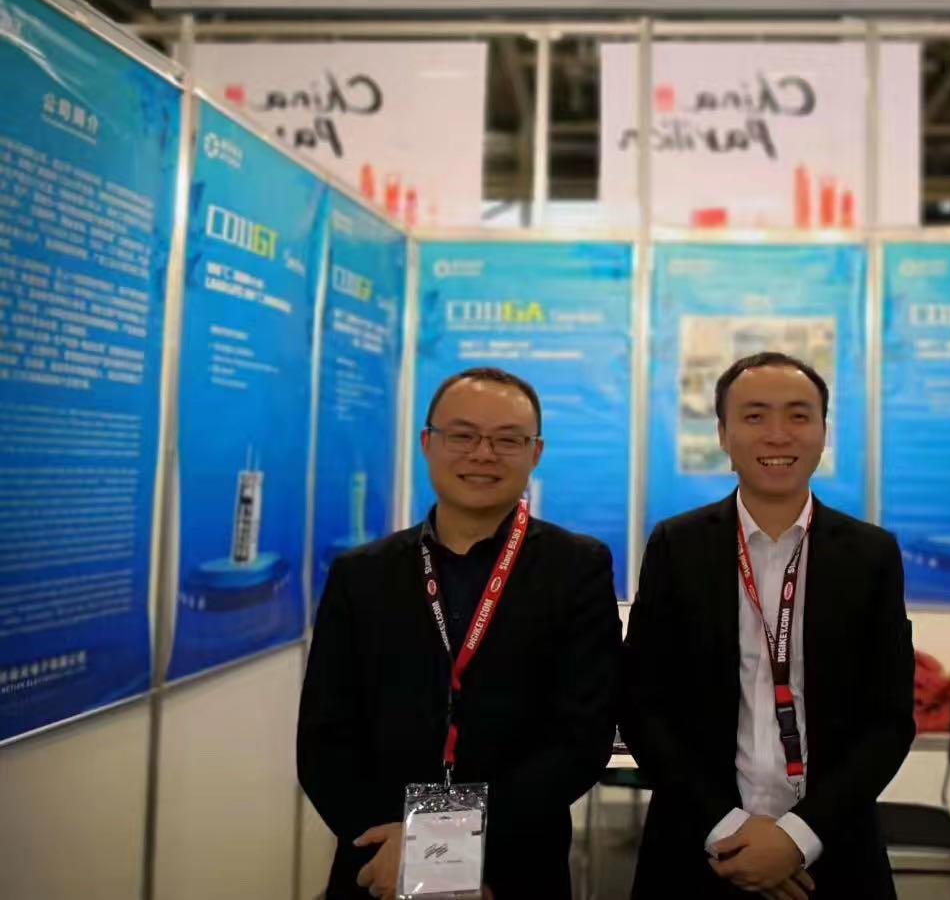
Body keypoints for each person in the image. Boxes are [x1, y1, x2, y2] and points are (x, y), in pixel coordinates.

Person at [298, 366, 621, 900]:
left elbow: (580, 738)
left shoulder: (577, 568)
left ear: (535, 453)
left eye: (507, 440)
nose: (483, 454)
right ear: (427, 443)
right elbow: (324, 738)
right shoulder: (362, 573)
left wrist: (447, 848)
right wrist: (398, 850)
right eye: (463, 435)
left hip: (513, 864)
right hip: (380, 863)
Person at [622, 351, 916, 900]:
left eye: (799, 415)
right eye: (755, 415)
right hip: (698, 846)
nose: (778, 434)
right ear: (723, 433)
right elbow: (643, 707)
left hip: (832, 849)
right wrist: (729, 829)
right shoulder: (676, 546)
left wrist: (796, 838)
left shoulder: (870, 555)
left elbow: (889, 720)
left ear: (823, 431)